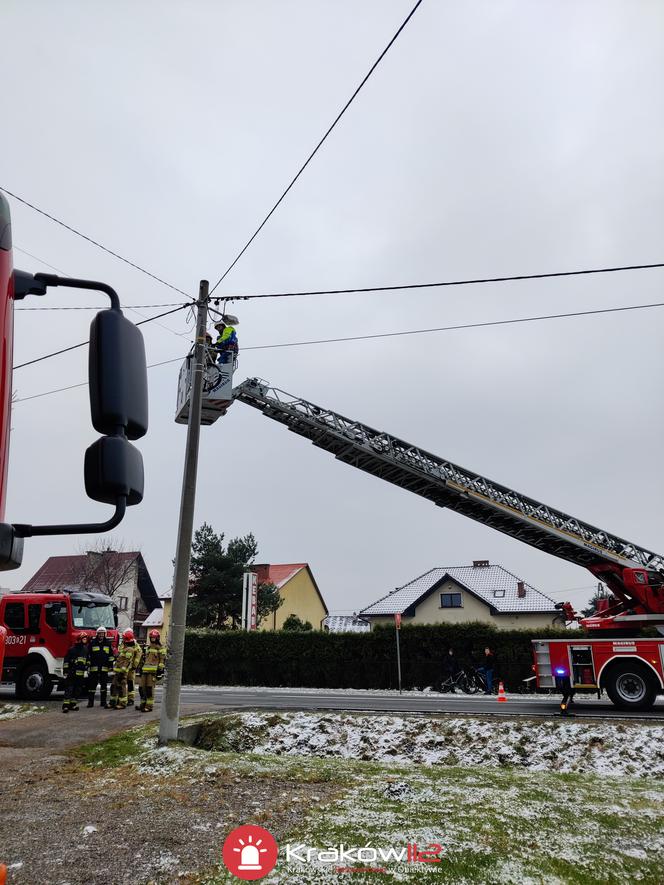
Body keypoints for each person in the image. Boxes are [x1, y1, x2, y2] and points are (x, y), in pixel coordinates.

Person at [138, 629, 167, 713]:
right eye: (151, 637)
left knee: (149, 689)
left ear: (157, 638)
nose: (152, 639)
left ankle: (149, 706)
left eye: (154, 638)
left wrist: (160, 671)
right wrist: (140, 668)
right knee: (141, 688)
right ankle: (142, 704)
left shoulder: (160, 648)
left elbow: (162, 660)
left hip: (153, 672)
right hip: (144, 671)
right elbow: (144, 659)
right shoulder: (148, 647)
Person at [108, 629, 137, 709]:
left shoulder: (130, 649)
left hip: (122, 672)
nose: (123, 640)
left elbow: (127, 661)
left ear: (126, 639)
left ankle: (122, 703)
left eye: (124, 638)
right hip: (118, 671)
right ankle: (112, 702)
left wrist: (123, 671)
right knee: (114, 686)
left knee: (121, 687)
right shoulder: (125, 648)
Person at [86, 626, 115, 708]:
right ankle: (90, 702)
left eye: (102, 633)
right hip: (94, 668)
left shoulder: (108, 643)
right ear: (97, 634)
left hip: (104, 668)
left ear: (105, 634)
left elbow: (111, 656)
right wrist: (88, 664)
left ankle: (103, 702)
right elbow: (88, 655)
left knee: (104, 687)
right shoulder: (92, 643)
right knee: (92, 686)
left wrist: (110, 665)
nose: (101, 635)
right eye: (100, 633)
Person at [62, 633, 89, 713]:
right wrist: (66, 671)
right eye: (84, 639)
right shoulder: (72, 649)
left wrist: (87, 666)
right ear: (79, 639)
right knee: (69, 689)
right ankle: (65, 706)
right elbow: (66, 660)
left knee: (78, 690)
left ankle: (72, 705)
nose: (85, 640)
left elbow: (87, 659)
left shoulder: (85, 649)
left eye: (85, 639)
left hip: (80, 674)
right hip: (72, 673)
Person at [126, 636, 143, 707]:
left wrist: (134, 666)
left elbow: (138, 657)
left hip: (130, 668)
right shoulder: (123, 644)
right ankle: (121, 699)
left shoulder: (136, 646)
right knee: (122, 683)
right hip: (124, 668)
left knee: (130, 683)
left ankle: (131, 699)